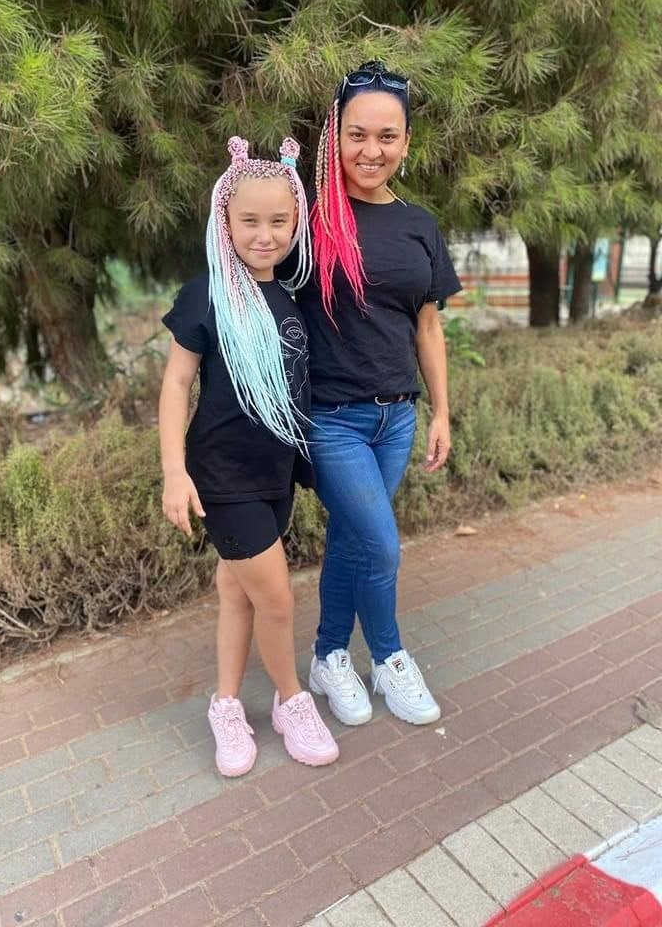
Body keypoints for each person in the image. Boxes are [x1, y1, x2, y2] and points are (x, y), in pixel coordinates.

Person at [158, 136, 338, 777]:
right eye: (250, 221)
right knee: (278, 600)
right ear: (225, 222)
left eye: (279, 221)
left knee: (237, 593)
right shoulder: (206, 294)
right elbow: (177, 383)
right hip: (222, 476)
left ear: (296, 222)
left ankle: (227, 705)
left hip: (273, 474)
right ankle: (292, 701)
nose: (265, 235)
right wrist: (174, 472)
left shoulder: (289, 296)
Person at [298, 61, 463, 728]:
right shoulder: (309, 218)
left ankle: (328, 655)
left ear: (406, 141)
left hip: (396, 419)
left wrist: (442, 411)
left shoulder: (419, 224)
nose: (372, 150)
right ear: (335, 138)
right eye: (358, 135)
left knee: (352, 539)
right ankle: (391, 657)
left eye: (387, 136)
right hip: (331, 420)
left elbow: (428, 327)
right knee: (382, 545)